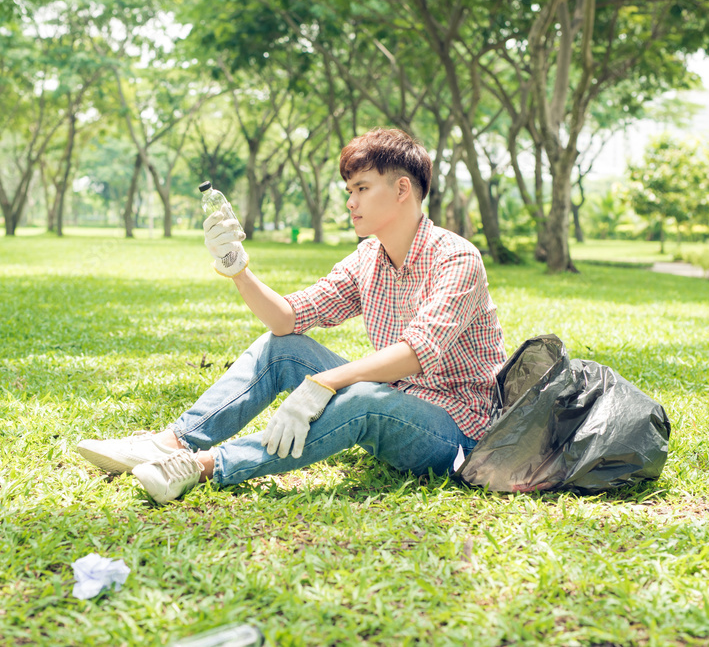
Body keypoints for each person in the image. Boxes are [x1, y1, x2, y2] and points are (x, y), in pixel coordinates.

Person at [76, 128, 507, 504]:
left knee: (360, 398)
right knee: (282, 348)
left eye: (361, 189)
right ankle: (169, 443)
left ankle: (203, 466)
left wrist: (324, 382)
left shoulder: (456, 257)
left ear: (400, 190)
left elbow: (417, 354)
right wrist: (238, 269)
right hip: (396, 397)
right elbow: (286, 320)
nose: (351, 202)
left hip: (458, 429)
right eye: (349, 191)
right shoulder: (367, 259)